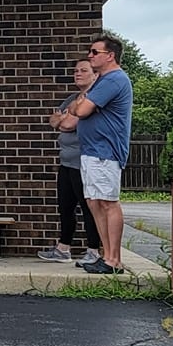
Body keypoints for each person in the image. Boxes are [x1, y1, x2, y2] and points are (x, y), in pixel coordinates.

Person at [62, 34, 132, 275]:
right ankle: (106, 255)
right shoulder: (102, 81)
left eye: (94, 52)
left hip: (105, 152)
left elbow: (80, 109)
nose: (90, 56)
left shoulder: (114, 80)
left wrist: (75, 105)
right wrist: (78, 105)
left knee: (107, 202)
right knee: (94, 202)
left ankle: (114, 259)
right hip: (91, 152)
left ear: (110, 55)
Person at [38, 58, 100, 264]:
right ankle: (63, 248)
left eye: (83, 70)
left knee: (88, 206)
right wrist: (61, 119)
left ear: (95, 75)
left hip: (82, 162)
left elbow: (68, 124)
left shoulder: (93, 99)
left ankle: (93, 250)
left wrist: (64, 119)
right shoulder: (72, 98)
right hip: (66, 162)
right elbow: (54, 120)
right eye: (76, 71)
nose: (78, 74)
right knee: (65, 207)